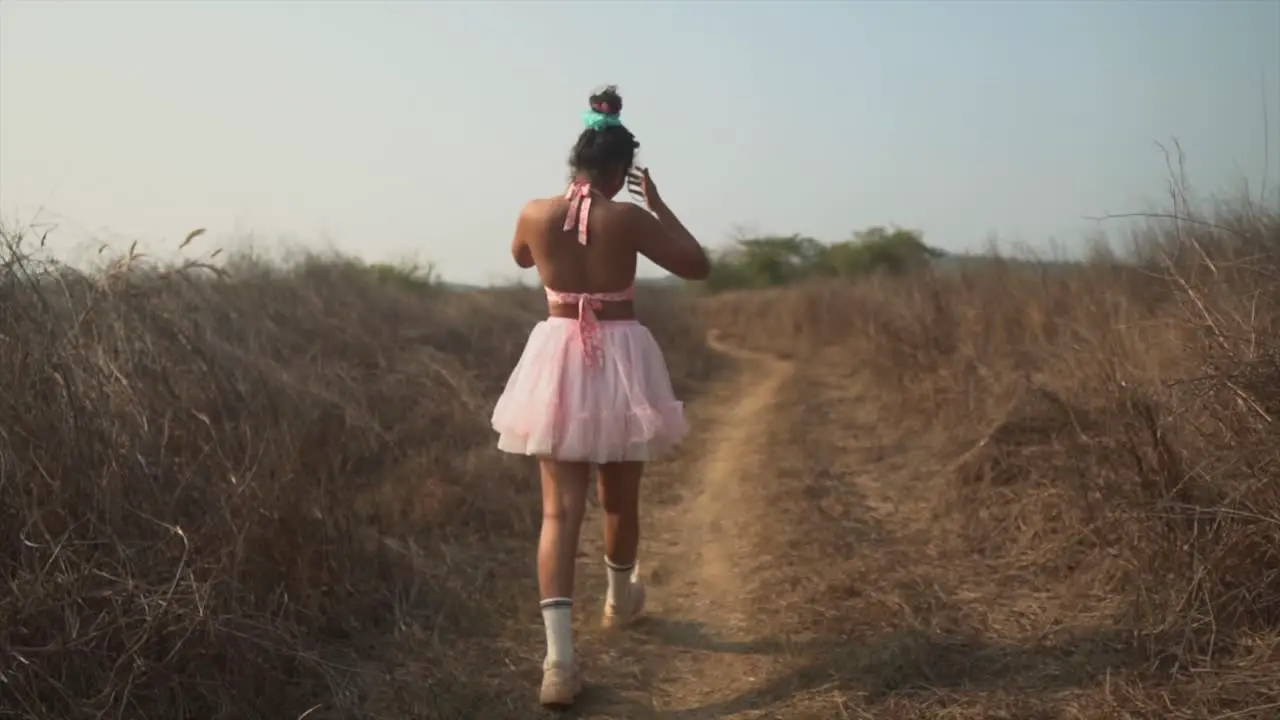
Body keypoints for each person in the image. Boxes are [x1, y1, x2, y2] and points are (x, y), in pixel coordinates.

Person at [490, 85, 711, 708]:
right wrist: (660, 207)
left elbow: (517, 258)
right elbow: (696, 265)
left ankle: (559, 662)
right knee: (619, 500)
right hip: (620, 360)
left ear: (576, 160)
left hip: (558, 356)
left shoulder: (534, 211)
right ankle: (619, 600)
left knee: (559, 512)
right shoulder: (630, 216)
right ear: (620, 170)